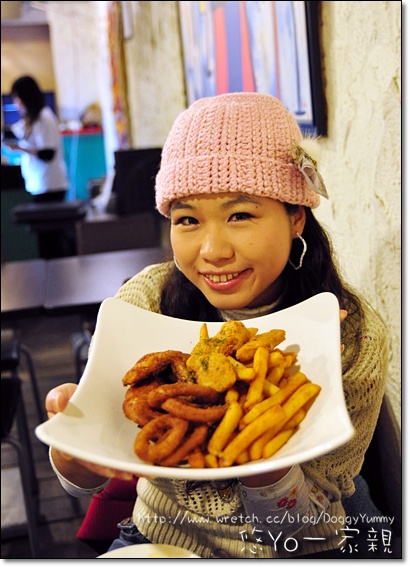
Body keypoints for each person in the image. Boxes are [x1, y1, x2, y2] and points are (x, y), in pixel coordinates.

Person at [45, 93, 388, 558]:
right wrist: (74, 453)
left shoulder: (353, 337)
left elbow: (305, 529)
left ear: (296, 217)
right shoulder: (144, 303)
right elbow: (86, 480)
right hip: (157, 538)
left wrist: (265, 462)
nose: (212, 251)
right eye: (187, 219)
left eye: (240, 215)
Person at [4, 75, 71, 258]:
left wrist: (20, 148)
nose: (16, 103)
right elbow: (13, 132)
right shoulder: (31, 120)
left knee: (52, 240)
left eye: (17, 98)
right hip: (40, 185)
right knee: (45, 240)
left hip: (50, 186)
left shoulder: (44, 118)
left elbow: (47, 154)